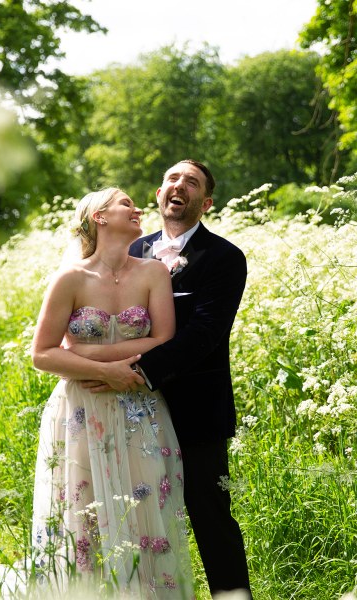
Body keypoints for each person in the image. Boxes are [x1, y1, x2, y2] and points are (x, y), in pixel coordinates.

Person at [30, 187, 194, 598]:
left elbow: (164, 341)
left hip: (141, 410)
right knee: (80, 520)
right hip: (81, 410)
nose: (137, 209)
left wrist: (85, 351)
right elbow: (42, 354)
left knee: (144, 517)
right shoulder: (70, 278)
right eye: (125, 204)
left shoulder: (154, 272)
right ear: (99, 217)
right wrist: (107, 371)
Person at [128, 159, 252, 598]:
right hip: (130, 413)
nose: (179, 186)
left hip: (196, 412)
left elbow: (205, 333)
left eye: (191, 182)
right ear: (159, 194)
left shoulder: (224, 258)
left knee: (210, 516)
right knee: (135, 516)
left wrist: (139, 373)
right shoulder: (131, 251)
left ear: (206, 202)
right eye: (171, 179)